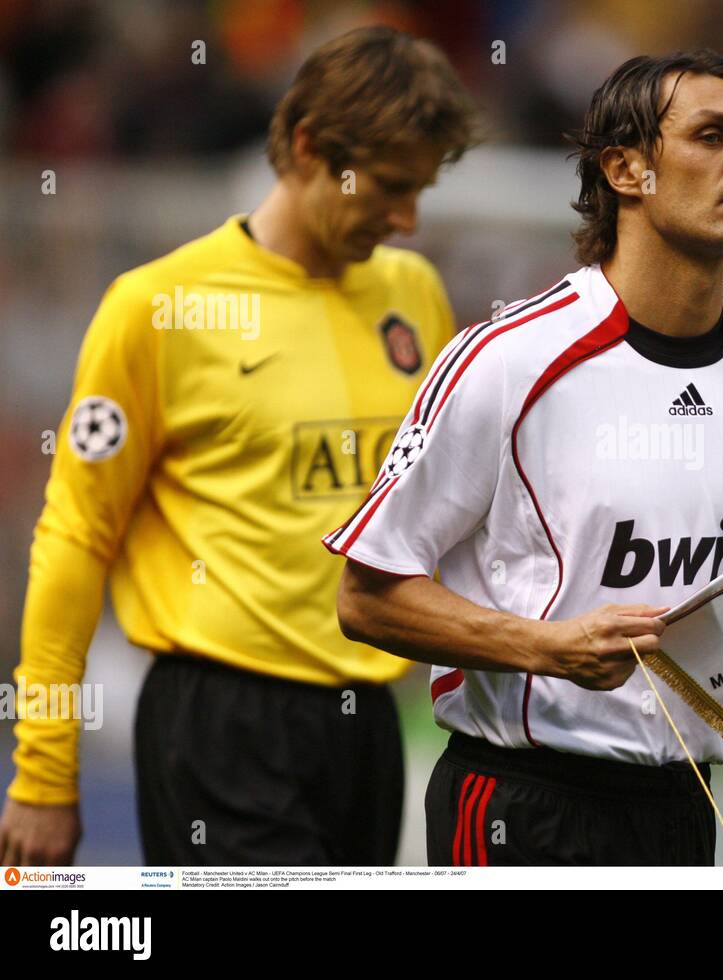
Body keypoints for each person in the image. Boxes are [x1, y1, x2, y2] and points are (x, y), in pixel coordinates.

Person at [326, 50, 723, 866]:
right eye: (712, 135)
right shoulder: (509, 362)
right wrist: (545, 647)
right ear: (626, 167)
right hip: (521, 802)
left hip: (686, 805)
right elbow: (367, 597)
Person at [0, 26, 479, 866]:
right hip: (221, 720)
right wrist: (43, 771)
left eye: (422, 192)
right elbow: (73, 539)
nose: (406, 218)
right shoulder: (158, 306)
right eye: (393, 188)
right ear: (307, 148)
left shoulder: (414, 294)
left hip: (365, 719)